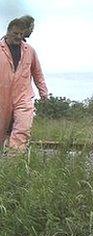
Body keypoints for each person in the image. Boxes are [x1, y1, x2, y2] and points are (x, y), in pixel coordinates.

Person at [0, 18, 48, 152]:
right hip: (2, 98)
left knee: (22, 130)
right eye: (15, 33)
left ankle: (15, 164)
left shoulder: (30, 51)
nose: (18, 37)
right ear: (8, 31)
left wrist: (43, 92)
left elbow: (37, 73)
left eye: (21, 34)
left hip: (23, 97)